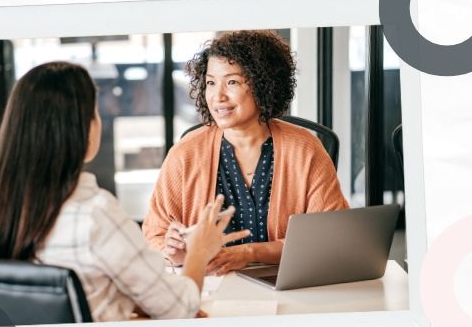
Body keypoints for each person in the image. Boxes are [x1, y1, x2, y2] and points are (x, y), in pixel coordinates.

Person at [0, 61, 249, 322]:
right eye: (95, 112)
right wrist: (198, 252)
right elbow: (180, 308)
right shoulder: (95, 214)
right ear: (80, 129)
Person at [143, 30, 348, 276]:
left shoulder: (304, 149)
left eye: (232, 82)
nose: (217, 96)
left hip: (287, 284)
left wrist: (251, 253)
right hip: (209, 286)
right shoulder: (186, 153)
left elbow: (329, 239)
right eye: (210, 82)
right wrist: (173, 253)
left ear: (263, 84)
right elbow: (154, 235)